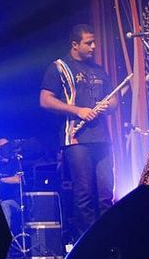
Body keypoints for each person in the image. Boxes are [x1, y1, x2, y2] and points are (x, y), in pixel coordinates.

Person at [40, 24, 117, 237]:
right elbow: (45, 100)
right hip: (75, 138)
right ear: (75, 44)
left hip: (101, 138)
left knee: (106, 193)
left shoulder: (99, 69)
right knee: (84, 193)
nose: (93, 47)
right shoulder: (59, 67)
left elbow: (113, 100)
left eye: (94, 42)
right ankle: (87, 242)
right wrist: (78, 110)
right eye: (88, 43)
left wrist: (108, 105)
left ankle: (108, 240)